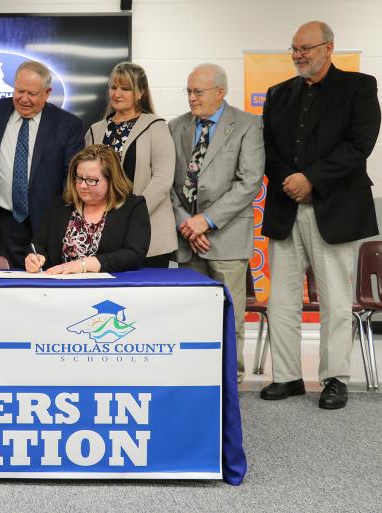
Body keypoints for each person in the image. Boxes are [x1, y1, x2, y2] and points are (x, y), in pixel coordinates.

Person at [260, 21, 380, 409]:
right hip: (285, 208)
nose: (298, 55)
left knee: (335, 300)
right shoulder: (278, 94)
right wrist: (290, 181)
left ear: (330, 47)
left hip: (335, 209)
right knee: (281, 301)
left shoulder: (359, 87)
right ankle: (289, 377)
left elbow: (359, 145)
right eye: (294, 49)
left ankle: (335, 379)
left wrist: (311, 178)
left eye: (306, 48)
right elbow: (268, 150)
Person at [168, 63, 265, 383]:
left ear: (220, 92)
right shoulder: (175, 127)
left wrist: (206, 221)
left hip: (226, 235)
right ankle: (195, 377)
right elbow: (168, 183)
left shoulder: (248, 125)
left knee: (230, 313)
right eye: (189, 92)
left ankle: (230, 379)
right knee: (192, 312)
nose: (192, 98)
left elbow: (248, 181)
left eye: (198, 92)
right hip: (187, 237)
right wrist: (187, 223)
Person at [0, 60, 85, 268]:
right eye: (20, 91)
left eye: (32, 93)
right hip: (0, 221)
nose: (24, 99)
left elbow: (71, 179)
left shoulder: (68, 125)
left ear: (47, 93)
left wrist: (59, 223)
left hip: (45, 224)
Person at [85, 62, 176, 268]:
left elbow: (162, 179)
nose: (117, 93)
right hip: (104, 232)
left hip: (149, 231)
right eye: (114, 87)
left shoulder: (156, 126)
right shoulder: (95, 131)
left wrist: (132, 214)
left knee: (148, 298)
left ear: (140, 92)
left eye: (125, 88)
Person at [25, 145, 149, 274]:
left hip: (110, 290)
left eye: (91, 180)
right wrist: (34, 258)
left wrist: (84, 264)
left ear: (111, 179)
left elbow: (134, 254)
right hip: (60, 288)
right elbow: (37, 245)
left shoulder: (134, 207)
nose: (83, 186)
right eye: (79, 178)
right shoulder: (59, 205)